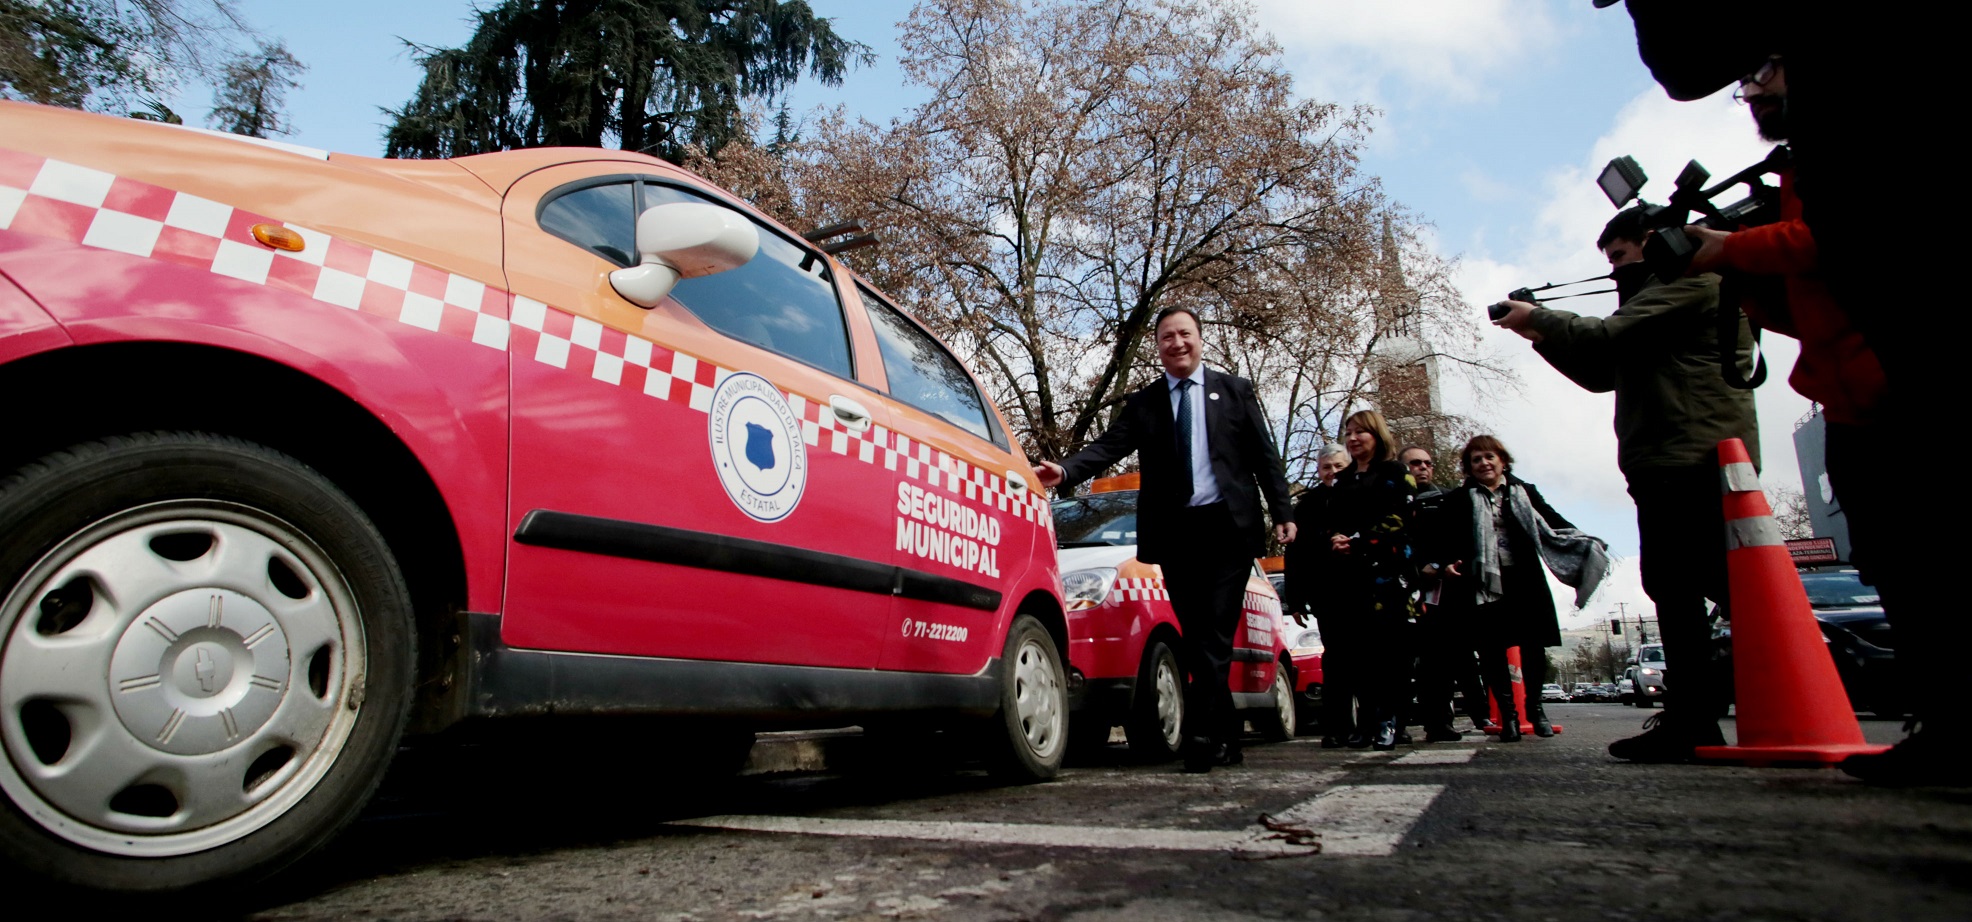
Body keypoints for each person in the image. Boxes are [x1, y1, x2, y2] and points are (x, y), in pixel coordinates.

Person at [1680, 58, 1961, 785]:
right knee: (1895, 556)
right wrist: (1739, 277)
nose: (1751, 92)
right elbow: (1794, 303)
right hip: (1848, 396)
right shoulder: (1797, 168)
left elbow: (1831, 238)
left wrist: (1730, 247)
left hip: (1886, 380)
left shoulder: (1858, 147)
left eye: (1765, 72)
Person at [1492, 208, 1759, 763]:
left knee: (1703, 584)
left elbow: (1609, 336)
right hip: (1667, 456)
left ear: (1654, 243)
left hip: (1691, 455)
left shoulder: (1691, 284)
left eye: (1618, 256)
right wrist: (1538, 330)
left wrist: (1540, 317)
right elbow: (1600, 374)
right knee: (1685, 583)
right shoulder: (1666, 296)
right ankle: (1697, 715)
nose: (1614, 271)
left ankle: (1708, 712)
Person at [1035, 306, 1296, 773]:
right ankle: (1227, 733)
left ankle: (1200, 736)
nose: (1177, 343)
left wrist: (1283, 512)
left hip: (1226, 530)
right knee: (1197, 637)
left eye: (1185, 334)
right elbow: (1109, 446)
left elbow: (1264, 457)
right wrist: (1068, 469)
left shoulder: (1234, 392)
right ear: (1158, 347)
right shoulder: (1146, 403)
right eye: (1167, 337)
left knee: (1214, 631)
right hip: (1177, 534)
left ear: (1200, 339)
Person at [1421, 436, 1608, 742]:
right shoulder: (1459, 499)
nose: (1484, 463)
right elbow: (1442, 538)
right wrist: (1443, 563)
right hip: (1482, 583)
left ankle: (1535, 710)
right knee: (1491, 650)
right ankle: (1508, 715)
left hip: (1524, 579)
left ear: (1503, 460)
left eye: (1489, 457)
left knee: (1533, 646)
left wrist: (1585, 540)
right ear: (1469, 467)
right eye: (1476, 459)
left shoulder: (1524, 493)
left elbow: (1553, 521)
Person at [1309, 409, 1418, 751]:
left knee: (1391, 651)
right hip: (1349, 578)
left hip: (1389, 574)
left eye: (1361, 432)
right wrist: (1335, 539)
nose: (1354, 438)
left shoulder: (1396, 473)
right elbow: (1329, 522)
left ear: (1377, 435)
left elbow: (1402, 519)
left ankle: (1390, 720)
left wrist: (1359, 539)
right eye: (1349, 432)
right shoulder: (1343, 482)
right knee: (1359, 653)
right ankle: (1367, 720)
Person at [1283, 444, 1353, 747]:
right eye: (1327, 467)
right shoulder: (1307, 505)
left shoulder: (1362, 494)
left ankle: (1380, 722)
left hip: (1365, 585)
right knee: (1336, 659)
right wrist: (1296, 599)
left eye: (1338, 466)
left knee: (1370, 658)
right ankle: (1338, 727)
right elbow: (1294, 554)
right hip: (1328, 591)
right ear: (1319, 469)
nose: (1333, 472)